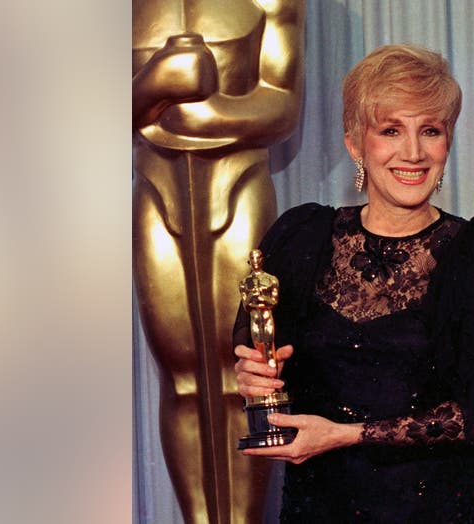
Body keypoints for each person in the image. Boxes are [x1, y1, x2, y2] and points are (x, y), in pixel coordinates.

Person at [233, 43, 474, 522]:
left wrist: (345, 435)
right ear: (355, 144)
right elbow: (268, 359)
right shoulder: (303, 239)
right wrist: (253, 376)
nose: (414, 152)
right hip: (319, 508)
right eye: (391, 130)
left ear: (448, 142)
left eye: (431, 130)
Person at [132, 1, 304, 522]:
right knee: (180, 376)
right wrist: (153, 86)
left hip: (238, 188)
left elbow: (281, 105)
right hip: (157, 193)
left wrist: (197, 114)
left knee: (244, 371)